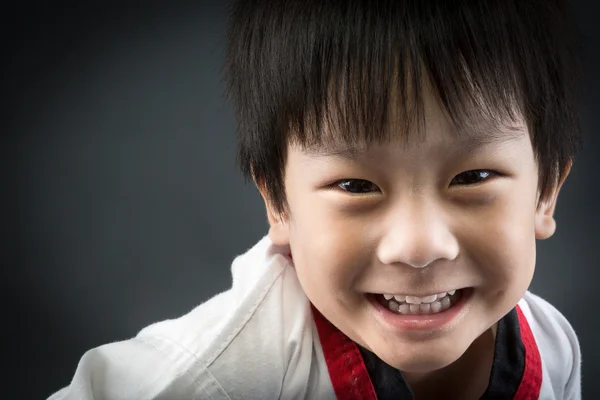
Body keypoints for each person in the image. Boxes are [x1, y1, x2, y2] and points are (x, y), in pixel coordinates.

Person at [49, 0, 583, 399]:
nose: (419, 246)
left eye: (473, 176)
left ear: (546, 192)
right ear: (278, 204)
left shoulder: (555, 346)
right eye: (356, 186)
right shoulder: (221, 375)